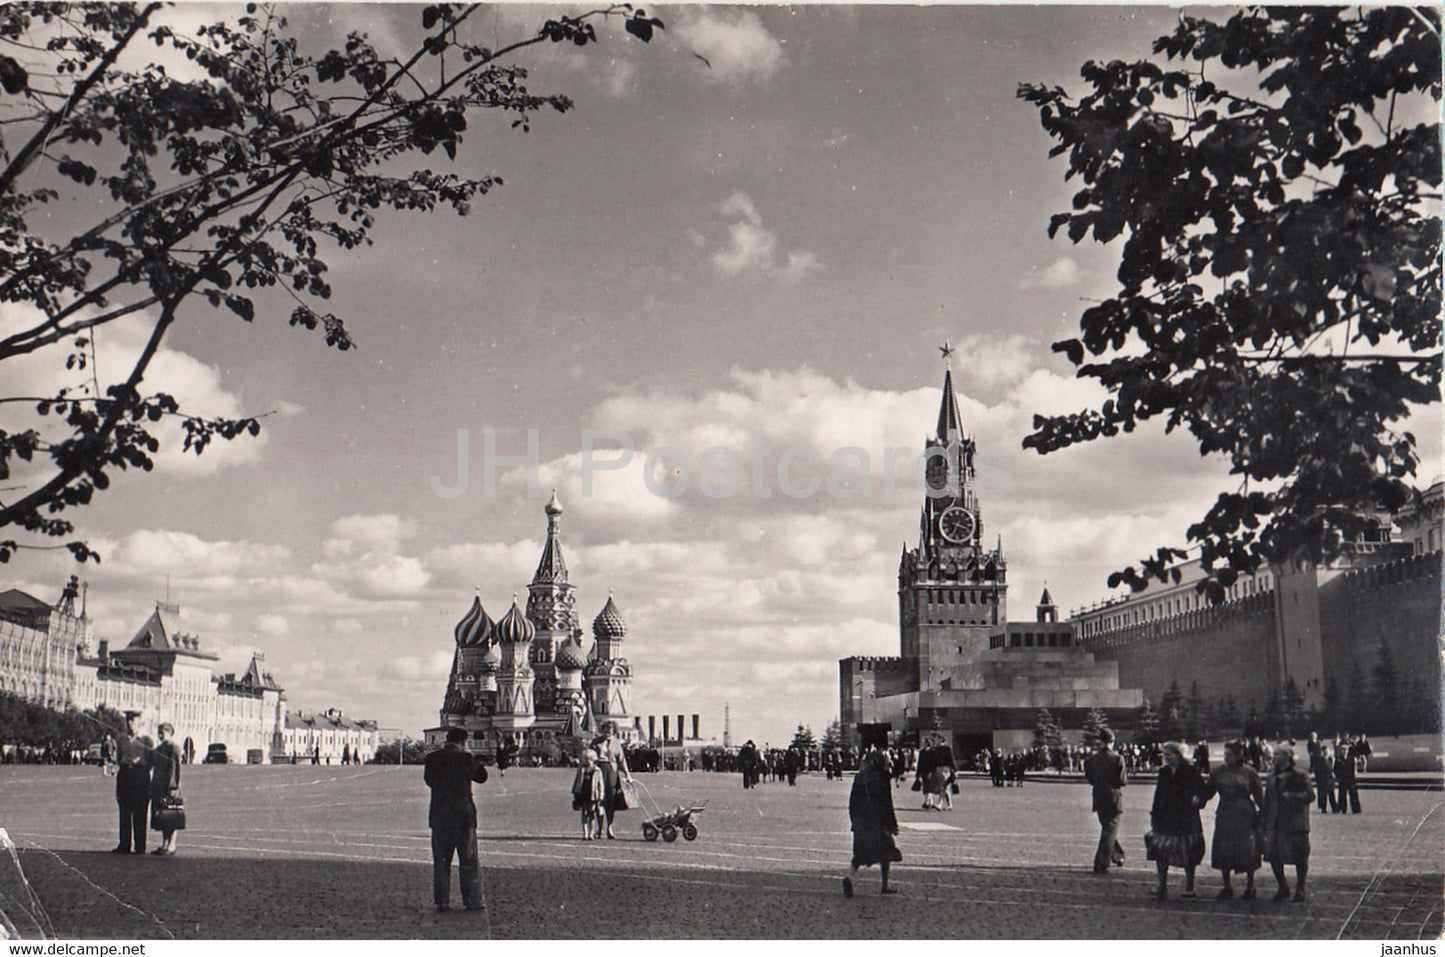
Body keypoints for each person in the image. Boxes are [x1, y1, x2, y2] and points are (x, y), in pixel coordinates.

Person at [423, 727, 488, 913]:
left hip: (440, 815)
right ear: (463, 742)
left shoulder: (432, 759)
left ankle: (442, 901)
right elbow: (482, 777)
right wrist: (470, 757)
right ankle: (471, 900)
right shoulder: (465, 759)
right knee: (468, 861)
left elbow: (429, 781)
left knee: (441, 861)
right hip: (463, 817)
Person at [1201, 741, 1263, 899]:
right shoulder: (1217, 772)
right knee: (1224, 848)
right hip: (1225, 813)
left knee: (1247, 849)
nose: (1226, 758)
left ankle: (1250, 885)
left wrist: (1263, 815)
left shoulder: (1250, 773)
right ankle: (1227, 886)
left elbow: (1259, 797)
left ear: (1239, 755)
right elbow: (1207, 793)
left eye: (1230, 755)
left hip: (1245, 814)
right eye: (1225, 754)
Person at [1147, 741, 1206, 899]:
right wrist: (1154, 814)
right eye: (1164, 755)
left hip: (1186, 817)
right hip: (1166, 817)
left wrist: (1198, 800)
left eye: (1169, 755)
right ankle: (1162, 886)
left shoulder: (1191, 771)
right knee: (1161, 851)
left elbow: (1203, 790)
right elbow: (1158, 794)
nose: (1166, 758)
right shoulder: (1164, 772)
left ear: (1179, 755)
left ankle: (1189, 887)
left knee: (1188, 851)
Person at [843, 749, 901, 897]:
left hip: (861, 822)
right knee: (887, 852)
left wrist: (854, 821)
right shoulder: (882, 777)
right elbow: (887, 803)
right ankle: (885, 885)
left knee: (860, 853)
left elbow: (853, 801)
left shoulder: (861, 776)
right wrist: (892, 824)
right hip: (878, 822)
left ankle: (849, 876)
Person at [1261, 744, 1314, 902]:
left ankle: (1300, 888)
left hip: (1295, 822)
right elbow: (1267, 799)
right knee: (1274, 856)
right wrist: (1264, 819)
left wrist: (1293, 796)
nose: (1274, 757)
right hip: (1275, 821)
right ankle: (1282, 886)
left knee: (1300, 856)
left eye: (1278, 754)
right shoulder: (1271, 776)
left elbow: (1310, 795)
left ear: (1287, 756)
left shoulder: (1300, 775)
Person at [1084, 728, 1126, 874]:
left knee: (1108, 829)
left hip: (1099, 797)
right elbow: (1122, 780)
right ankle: (1101, 862)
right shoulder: (1118, 758)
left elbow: (1090, 779)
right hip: (1114, 798)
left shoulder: (1092, 759)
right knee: (1110, 830)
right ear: (1112, 741)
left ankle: (1118, 854)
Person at [111, 711, 152, 855]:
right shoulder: (121, 739)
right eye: (127, 721)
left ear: (139, 723)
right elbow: (119, 758)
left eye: (132, 721)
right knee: (124, 810)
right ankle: (124, 844)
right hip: (125, 774)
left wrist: (141, 769)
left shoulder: (146, 740)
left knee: (140, 811)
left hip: (140, 774)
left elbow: (150, 759)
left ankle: (140, 845)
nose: (129, 724)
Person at [591, 722, 634, 839]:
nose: (607, 733)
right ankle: (599, 828)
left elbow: (622, 760)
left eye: (610, 731)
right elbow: (588, 757)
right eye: (605, 731)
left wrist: (627, 774)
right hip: (598, 771)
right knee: (599, 799)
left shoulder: (616, 743)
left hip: (611, 772)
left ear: (614, 732)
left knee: (611, 800)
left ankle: (609, 827)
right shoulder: (595, 742)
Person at [149, 722, 183, 856]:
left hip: (170, 787)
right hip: (159, 786)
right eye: (159, 733)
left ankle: (172, 844)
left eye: (162, 733)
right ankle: (165, 843)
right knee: (163, 816)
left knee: (172, 815)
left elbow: (175, 768)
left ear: (169, 732)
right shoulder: (159, 749)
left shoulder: (173, 748)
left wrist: (173, 785)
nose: (160, 735)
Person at [571, 749, 607, 840]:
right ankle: (585, 833)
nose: (587, 761)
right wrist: (575, 792)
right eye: (586, 759)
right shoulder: (581, 769)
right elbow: (577, 781)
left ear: (594, 759)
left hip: (593, 795)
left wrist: (601, 796)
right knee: (584, 813)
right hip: (583, 794)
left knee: (592, 814)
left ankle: (591, 832)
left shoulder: (597, 771)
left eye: (590, 759)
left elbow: (601, 785)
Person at [1308, 736, 1337, 813]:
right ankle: (1323, 808)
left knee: (1332, 795)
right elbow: (1317, 770)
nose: (1326, 752)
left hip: (1330, 779)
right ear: (1322, 752)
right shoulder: (1319, 760)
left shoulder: (1331, 759)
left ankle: (1334, 808)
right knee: (1323, 795)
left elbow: (1333, 769)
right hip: (1323, 779)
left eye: (1327, 751)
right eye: (1325, 751)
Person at [1334, 740, 1361, 814]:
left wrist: (1353, 777)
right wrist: (1339, 778)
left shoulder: (1351, 758)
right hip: (1343, 779)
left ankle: (1356, 809)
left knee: (1353, 794)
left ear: (1348, 750)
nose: (1344, 751)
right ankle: (1343, 809)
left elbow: (1354, 769)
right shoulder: (1338, 759)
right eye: (1343, 750)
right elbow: (1336, 770)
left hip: (1351, 779)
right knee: (1342, 795)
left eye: (1346, 749)